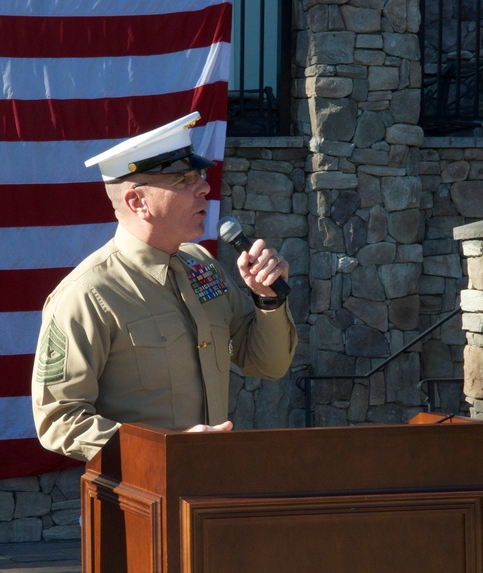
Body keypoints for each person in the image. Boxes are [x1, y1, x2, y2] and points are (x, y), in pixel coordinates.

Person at [31, 112, 297, 462]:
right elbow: (59, 420)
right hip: (144, 498)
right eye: (183, 179)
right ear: (137, 202)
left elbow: (267, 364)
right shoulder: (88, 293)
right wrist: (163, 450)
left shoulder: (201, 265)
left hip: (208, 490)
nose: (204, 186)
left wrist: (268, 301)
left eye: (199, 174)